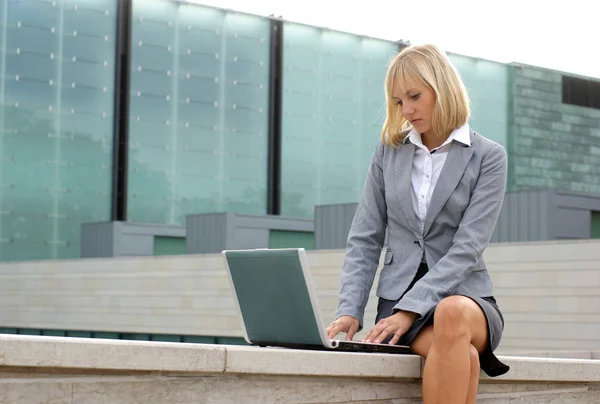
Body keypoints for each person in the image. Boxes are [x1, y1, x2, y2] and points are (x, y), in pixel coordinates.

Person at [325, 43, 510, 404]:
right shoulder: (387, 152)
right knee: (463, 357)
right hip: (395, 305)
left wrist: (411, 309)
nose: (407, 110)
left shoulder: (488, 157)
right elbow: (365, 238)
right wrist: (349, 309)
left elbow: (467, 249)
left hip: (466, 300)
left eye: (414, 96)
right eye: (398, 102)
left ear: (441, 88)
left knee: (451, 313)